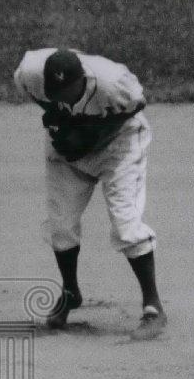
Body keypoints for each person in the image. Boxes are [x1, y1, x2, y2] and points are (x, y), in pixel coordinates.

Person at [13, 48, 166, 340]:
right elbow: (40, 99)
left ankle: (153, 307)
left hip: (119, 143)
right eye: (55, 91)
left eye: (68, 91)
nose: (61, 96)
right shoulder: (29, 73)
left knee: (126, 222)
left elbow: (136, 107)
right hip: (66, 151)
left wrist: (87, 134)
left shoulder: (116, 84)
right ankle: (70, 291)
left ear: (82, 79)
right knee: (60, 224)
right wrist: (62, 122)